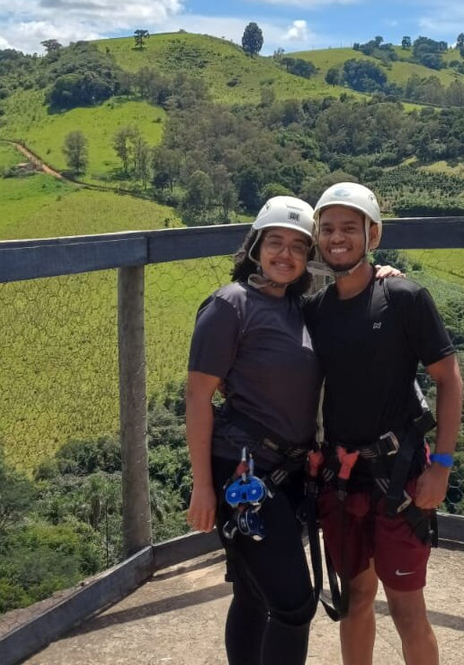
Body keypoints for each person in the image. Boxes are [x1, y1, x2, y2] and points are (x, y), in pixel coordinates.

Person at [303, 182, 463, 665]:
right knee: (353, 601)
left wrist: (443, 465)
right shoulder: (315, 310)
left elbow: (449, 380)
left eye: (349, 228)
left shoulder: (403, 298)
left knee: (406, 607)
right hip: (344, 478)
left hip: (401, 477)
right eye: (327, 229)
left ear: (373, 233)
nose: (337, 238)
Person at [184, 195, 321, 665]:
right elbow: (198, 396)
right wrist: (202, 486)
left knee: (252, 593)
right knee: (295, 604)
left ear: (308, 259)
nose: (285, 255)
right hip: (242, 471)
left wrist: (386, 274)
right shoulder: (231, 304)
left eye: (298, 247)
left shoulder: (298, 308)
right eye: (275, 242)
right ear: (256, 247)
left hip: (285, 471)